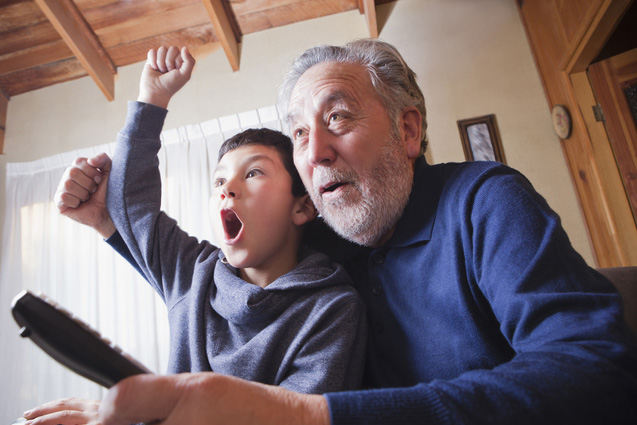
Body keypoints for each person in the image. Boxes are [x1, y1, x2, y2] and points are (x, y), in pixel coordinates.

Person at [55, 39, 637, 425]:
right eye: (301, 135)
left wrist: (308, 416)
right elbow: (225, 277)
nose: (318, 151)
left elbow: (595, 365)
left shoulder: (485, 202)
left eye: (337, 117)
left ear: (408, 132)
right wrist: (109, 223)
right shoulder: (329, 235)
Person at [23, 45, 367, 424]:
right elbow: (129, 207)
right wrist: (153, 98)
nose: (226, 188)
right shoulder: (195, 273)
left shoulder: (333, 309)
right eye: (219, 179)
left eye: (253, 173)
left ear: (302, 207)